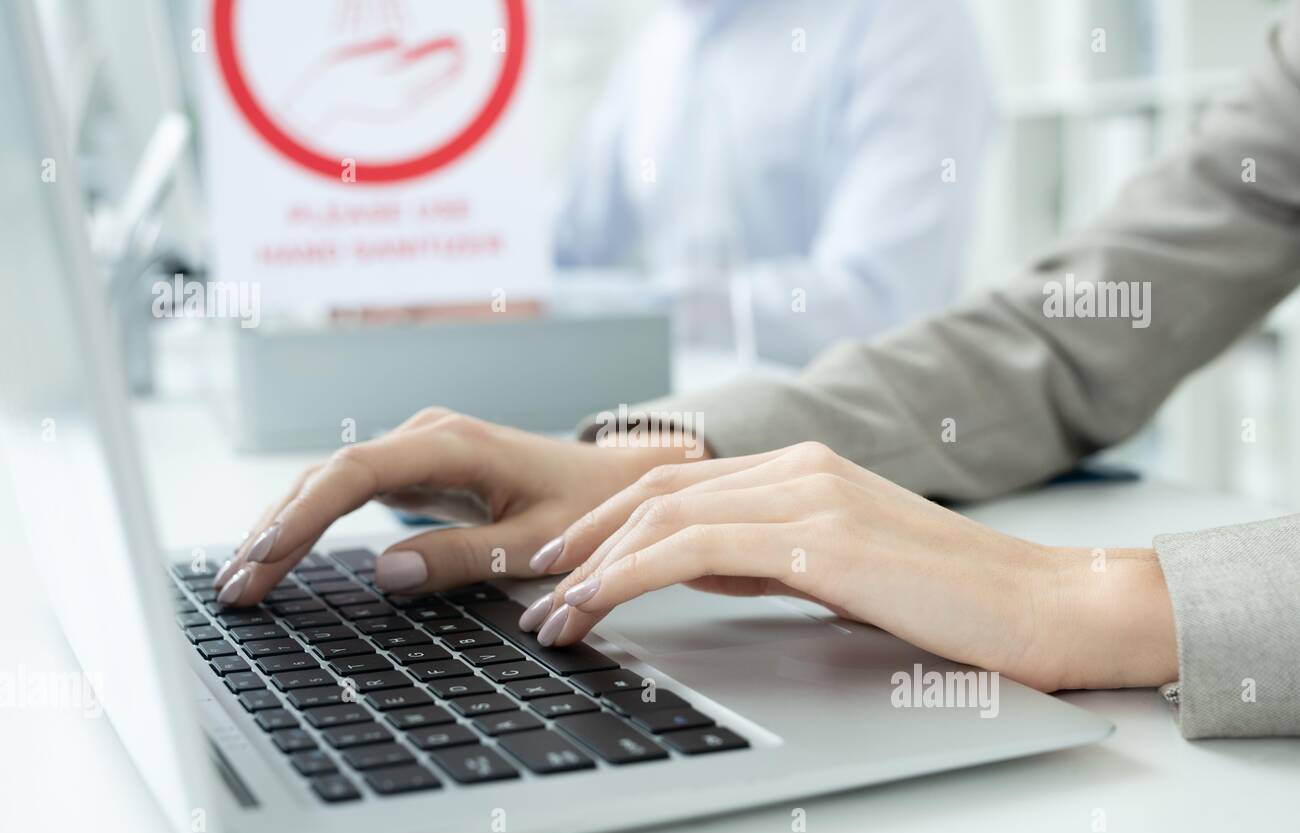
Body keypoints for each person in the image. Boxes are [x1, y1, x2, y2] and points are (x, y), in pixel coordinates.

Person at [215, 2, 1300, 740]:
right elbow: (1065, 335)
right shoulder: (661, 45)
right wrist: (684, 449)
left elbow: (876, 290)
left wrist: (1095, 595)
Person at [552, 0, 992, 365]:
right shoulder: (657, 44)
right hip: (673, 426)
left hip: (843, 440)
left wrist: (642, 310)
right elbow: (571, 240)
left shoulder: (902, 19)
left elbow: (878, 305)